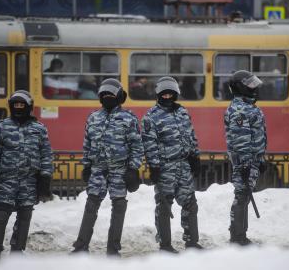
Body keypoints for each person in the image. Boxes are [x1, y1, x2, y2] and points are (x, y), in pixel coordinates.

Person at [71, 78, 143, 256]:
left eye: (111, 94)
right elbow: (87, 144)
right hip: (98, 170)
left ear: (119, 97)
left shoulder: (128, 118)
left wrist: (133, 169)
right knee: (91, 206)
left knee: (118, 208)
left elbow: (136, 145)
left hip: (120, 170)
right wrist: (86, 165)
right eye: (105, 95)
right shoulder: (93, 117)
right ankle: (81, 248)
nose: (108, 97)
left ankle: (113, 250)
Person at [0, 90, 53, 261]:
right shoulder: (0, 127)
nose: (19, 108)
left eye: (22, 105)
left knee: (25, 216)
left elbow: (46, 155)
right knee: (1, 215)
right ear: (11, 106)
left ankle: (17, 251)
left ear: (29, 107)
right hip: (7, 180)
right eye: (16, 105)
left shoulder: (39, 129)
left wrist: (45, 177)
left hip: (30, 181)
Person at [141, 76, 203, 253]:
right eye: (164, 94)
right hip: (165, 167)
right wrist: (154, 167)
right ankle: (165, 244)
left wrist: (195, 157)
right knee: (164, 205)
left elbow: (191, 136)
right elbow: (149, 144)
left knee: (190, 203)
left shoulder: (182, 112)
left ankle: (192, 242)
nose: (167, 97)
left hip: (183, 165)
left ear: (175, 94)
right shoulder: (150, 117)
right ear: (159, 95)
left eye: (170, 94)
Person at [224, 70, 267, 246]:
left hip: (251, 160)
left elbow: (256, 136)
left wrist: (260, 159)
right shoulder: (240, 109)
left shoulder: (247, 106)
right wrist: (245, 164)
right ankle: (237, 236)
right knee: (242, 196)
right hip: (245, 161)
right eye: (250, 85)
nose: (254, 88)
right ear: (240, 88)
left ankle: (240, 234)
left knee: (244, 196)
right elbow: (241, 140)